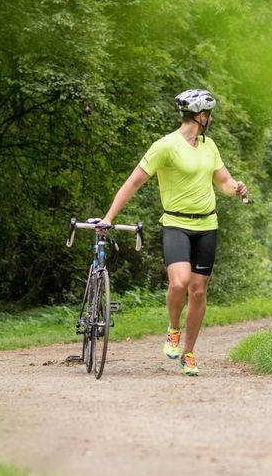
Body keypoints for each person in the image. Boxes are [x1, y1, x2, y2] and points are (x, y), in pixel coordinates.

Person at [99, 89, 247, 376]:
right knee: (179, 283)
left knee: (198, 291)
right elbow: (133, 182)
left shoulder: (209, 146)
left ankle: (188, 354)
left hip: (207, 226)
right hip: (176, 224)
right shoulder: (165, 146)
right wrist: (109, 217)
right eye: (209, 114)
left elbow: (223, 181)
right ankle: (173, 328)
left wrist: (236, 188)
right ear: (201, 116)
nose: (210, 119)